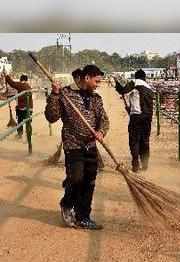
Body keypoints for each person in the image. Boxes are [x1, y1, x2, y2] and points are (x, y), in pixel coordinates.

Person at [45, 65, 109, 230]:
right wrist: (54, 94)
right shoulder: (66, 94)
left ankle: (84, 217)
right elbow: (51, 117)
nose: (98, 84)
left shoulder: (96, 99)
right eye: (96, 81)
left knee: (89, 182)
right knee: (77, 177)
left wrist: (101, 132)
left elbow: (104, 120)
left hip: (91, 146)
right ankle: (67, 204)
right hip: (73, 145)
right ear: (87, 78)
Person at [114, 69, 155, 172]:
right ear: (144, 77)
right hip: (148, 118)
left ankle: (135, 165)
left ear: (136, 77)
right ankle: (145, 165)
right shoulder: (149, 88)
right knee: (145, 141)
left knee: (134, 141)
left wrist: (116, 82)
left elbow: (122, 90)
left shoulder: (134, 83)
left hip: (136, 117)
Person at [5, 73, 32, 138]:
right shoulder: (28, 85)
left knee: (20, 121)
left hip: (23, 108)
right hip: (29, 107)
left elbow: (12, 83)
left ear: (21, 79)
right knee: (27, 122)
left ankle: (20, 134)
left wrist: (7, 76)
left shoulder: (21, 84)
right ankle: (28, 137)